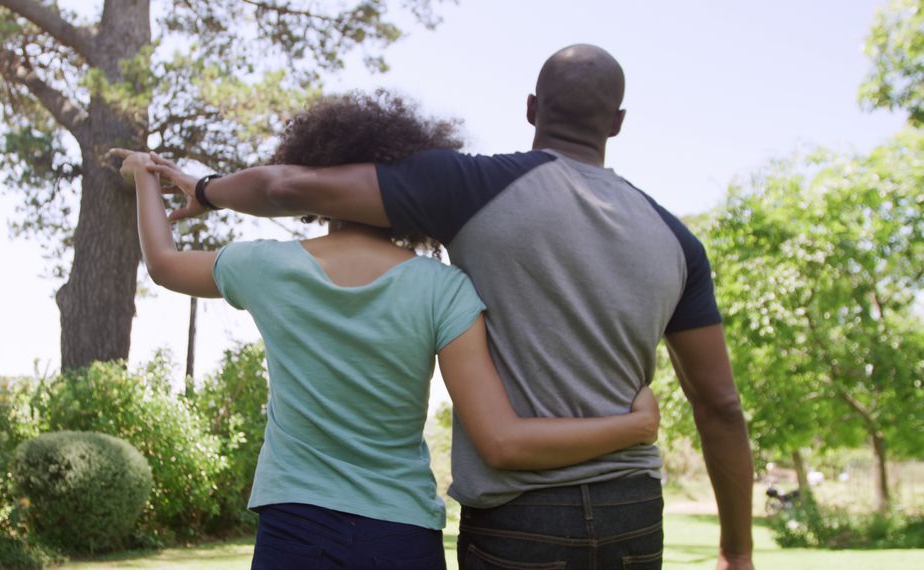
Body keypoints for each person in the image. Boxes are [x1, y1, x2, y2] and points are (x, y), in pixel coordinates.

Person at [139, 45, 754, 569]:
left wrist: (202, 188)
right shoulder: (676, 240)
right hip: (631, 509)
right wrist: (736, 549)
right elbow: (721, 406)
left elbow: (280, 186)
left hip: (519, 514)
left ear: (532, 109)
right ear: (617, 123)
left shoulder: (472, 188)